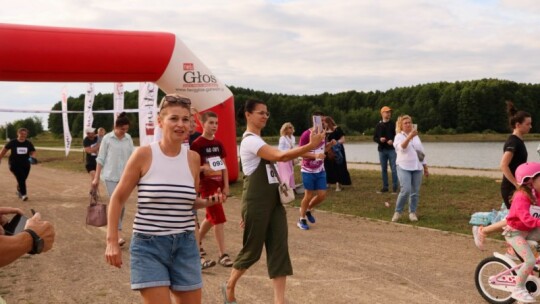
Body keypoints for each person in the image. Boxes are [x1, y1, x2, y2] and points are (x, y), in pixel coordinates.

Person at [104, 94, 224, 304]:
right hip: (149, 246)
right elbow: (117, 198)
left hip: (186, 245)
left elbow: (188, 203)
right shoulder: (143, 155)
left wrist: (207, 202)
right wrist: (112, 241)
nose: (180, 124)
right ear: (160, 121)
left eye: (185, 119)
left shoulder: (193, 159)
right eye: (174, 119)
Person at [223, 99, 324, 304]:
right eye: (261, 113)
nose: (265, 116)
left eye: (267, 113)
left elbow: (283, 157)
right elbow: (281, 156)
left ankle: (279, 301)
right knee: (251, 252)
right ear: (248, 115)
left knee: (279, 251)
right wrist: (310, 146)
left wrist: (313, 151)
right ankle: (229, 286)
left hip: (274, 202)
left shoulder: (261, 142)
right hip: (256, 203)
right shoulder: (250, 141)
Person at [473, 102, 532, 249]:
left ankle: (511, 247)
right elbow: (503, 165)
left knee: (518, 218)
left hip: (517, 186)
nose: (530, 126)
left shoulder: (519, 141)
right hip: (510, 187)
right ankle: (482, 230)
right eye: (528, 124)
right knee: (516, 218)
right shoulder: (513, 142)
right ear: (518, 125)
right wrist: (516, 184)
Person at [190, 111, 233, 268]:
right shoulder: (197, 144)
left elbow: (224, 166)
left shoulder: (219, 144)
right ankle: (223, 254)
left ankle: (197, 240)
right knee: (219, 218)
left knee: (211, 217)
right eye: (211, 123)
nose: (214, 126)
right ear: (202, 124)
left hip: (218, 185)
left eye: (216, 123)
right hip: (206, 186)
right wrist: (203, 168)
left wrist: (226, 185)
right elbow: (193, 167)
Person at [498, 162, 540, 303]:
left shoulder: (535, 193)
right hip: (515, 233)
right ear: (530, 180)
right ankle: (518, 288)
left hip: (528, 231)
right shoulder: (521, 197)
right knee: (530, 260)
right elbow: (526, 219)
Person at [92, 112, 134, 246]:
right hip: (110, 176)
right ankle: (118, 235)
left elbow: (132, 157)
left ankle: (114, 230)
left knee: (122, 206)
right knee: (116, 202)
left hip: (125, 177)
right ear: (115, 126)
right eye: (122, 129)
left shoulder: (128, 138)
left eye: (126, 129)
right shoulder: (107, 139)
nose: (124, 132)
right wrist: (96, 178)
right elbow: (100, 158)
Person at [391, 115, 429, 222]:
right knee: (406, 190)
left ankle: (412, 212)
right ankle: (398, 212)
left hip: (417, 166)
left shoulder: (416, 137)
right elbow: (401, 147)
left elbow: (421, 152)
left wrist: (425, 167)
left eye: (409, 122)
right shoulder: (399, 136)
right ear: (401, 126)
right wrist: (409, 137)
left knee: (415, 192)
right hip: (403, 166)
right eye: (405, 123)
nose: (408, 124)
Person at [296, 111, 327, 231]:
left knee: (322, 195)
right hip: (307, 169)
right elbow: (300, 152)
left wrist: (330, 146)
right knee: (308, 195)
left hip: (320, 169)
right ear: (314, 120)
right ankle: (301, 219)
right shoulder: (305, 135)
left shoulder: (323, 134)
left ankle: (307, 209)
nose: (324, 122)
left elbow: (321, 151)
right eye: (321, 120)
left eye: (324, 120)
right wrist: (315, 156)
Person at [0, 128, 36, 201]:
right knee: (21, 178)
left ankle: (19, 190)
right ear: (18, 133)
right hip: (14, 164)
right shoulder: (12, 142)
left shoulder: (28, 143)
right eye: (21, 134)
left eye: (25, 134)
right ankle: (24, 194)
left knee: (23, 178)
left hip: (25, 164)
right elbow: (4, 150)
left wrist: (32, 157)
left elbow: (33, 151)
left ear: (26, 135)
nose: (23, 135)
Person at [373, 106, 398, 194]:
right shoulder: (378, 125)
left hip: (392, 150)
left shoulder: (394, 124)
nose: (389, 114)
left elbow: (398, 136)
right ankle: (385, 187)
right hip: (382, 150)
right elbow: (374, 138)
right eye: (386, 112)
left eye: (389, 112)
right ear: (382, 114)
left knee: (394, 168)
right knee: (383, 169)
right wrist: (379, 139)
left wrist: (393, 140)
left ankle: (395, 188)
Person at [323, 116, 351, 192]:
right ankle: (328, 182)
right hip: (328, 151)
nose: (323, 124)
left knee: (338, 166)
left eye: (324, 122)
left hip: (337, 151)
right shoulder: (324, 131)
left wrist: (335, 142)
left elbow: (343, 139)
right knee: (328, 166)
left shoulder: (337, 129)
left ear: (328, 122)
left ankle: (338, 184)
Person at [277, 122, 296, 189]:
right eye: (289, 128)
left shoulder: (293, 138)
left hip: (290, 158)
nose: (291, 129)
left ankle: (291, 187)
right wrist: (288, 151)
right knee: (286, 174)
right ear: (285, 129)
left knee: (291, 173)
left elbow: (293, 148)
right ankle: (286, 188)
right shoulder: (283, 138)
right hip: (284, 158)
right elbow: (280, 149)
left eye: (291, 127)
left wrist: (293, 158)